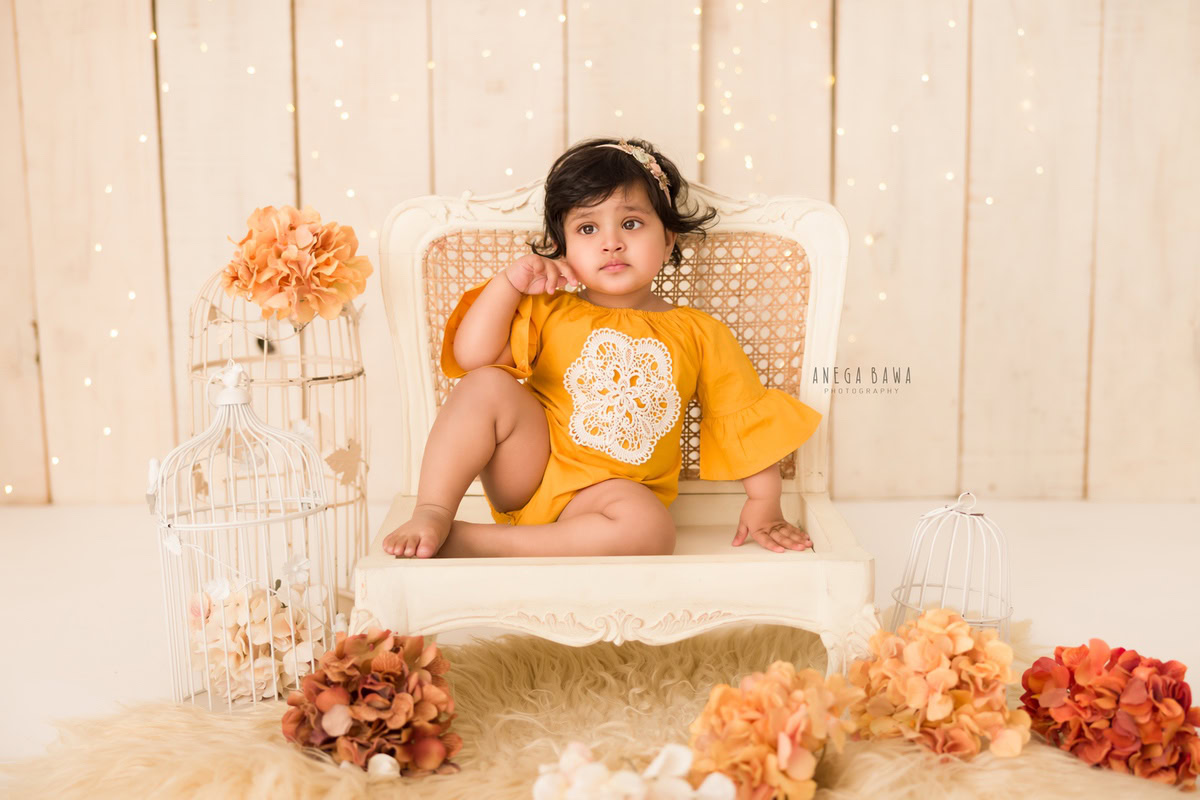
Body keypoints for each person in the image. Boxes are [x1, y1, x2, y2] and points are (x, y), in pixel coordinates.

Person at [383, 136, 822, 559]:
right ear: (563, 246)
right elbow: (473, 357)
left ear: (668, 238)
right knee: (484, 385)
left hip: (610, 502)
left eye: (631, 223)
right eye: (588, 228)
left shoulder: (700, 332)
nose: (611, 242)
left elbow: (742, 416)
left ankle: (473, 544)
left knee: (651, 528)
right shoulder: (551, 309)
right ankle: (434, 512)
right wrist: (509, 284)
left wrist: (764, 502)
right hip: (531, 473)